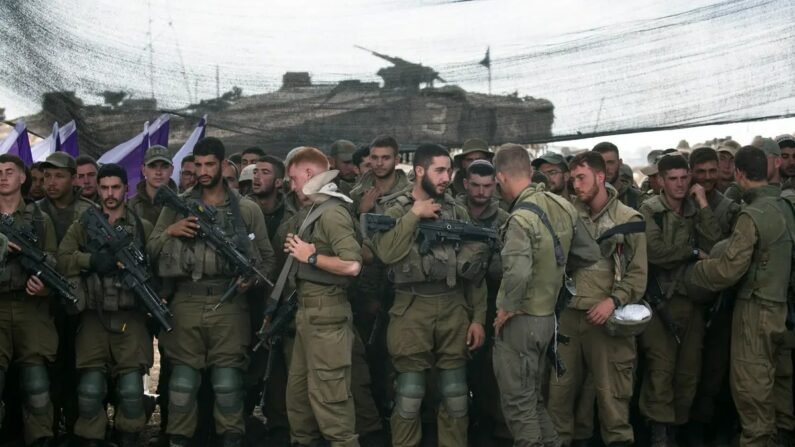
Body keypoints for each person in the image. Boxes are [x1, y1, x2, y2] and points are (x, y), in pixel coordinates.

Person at [147, 137, 275, 447]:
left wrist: (252, 281)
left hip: (229, 303)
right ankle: (178, 440)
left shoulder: (246, 208)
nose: (203, 171)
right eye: (198, 165)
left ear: (222, 166)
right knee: (182, 383)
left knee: (228, 383)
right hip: (186, 300)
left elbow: (268, 260)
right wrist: (170, 231)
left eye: (210, 165)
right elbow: (150, 249)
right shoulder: (176, 204)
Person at [370, 143, 487, 447]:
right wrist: (413, 216)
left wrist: (478, 319)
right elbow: (386, 253)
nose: (446, 176)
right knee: (408, 395)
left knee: (455, 395)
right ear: (419, 171)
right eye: (439, 170)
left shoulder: (456, 210)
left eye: (448, 170)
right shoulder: (395, 207)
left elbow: (474, 273)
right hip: (411, 309)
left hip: (453, 306)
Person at [685, 145, 795, 447]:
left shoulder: (752, 214)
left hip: (755, 312)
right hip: (782, 309)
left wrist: (696, 273)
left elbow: (728, 270)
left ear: (739, 174)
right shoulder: (787, 207)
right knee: (780, 383)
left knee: (751, 388)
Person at [547, 151, 647, 447]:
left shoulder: (629, 219)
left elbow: (638, 275)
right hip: (567, 319)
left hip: (606, 321)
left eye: (582, 178)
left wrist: (613, 301)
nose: (575, 185)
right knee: (558, 396)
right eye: (572, 178)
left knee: (612, 400)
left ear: (600, 177)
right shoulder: (566, 214)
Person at [264, 146, 363, 446]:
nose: (291, 186)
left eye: (293, 179)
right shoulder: (312, 212)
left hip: (327, 321)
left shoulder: (332, 212)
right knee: (299, 407)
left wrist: (311, 257)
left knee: (332, 408)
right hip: (307, 318)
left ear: (308, 174)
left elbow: (353, 264)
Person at [57, 164, 154, 447]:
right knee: (89, 389)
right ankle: (92, 438)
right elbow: (61, 259)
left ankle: (128, 434)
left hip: (130, 317)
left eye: (115, 187)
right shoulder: (83, 225)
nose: (109, 194)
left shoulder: (141, 227)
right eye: (104, 188)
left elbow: (155, 271)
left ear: (126, 188)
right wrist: (90, 261)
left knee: (132, 389)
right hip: (92, 317)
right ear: (97, 189)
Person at [637, 154, 722, 446]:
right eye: (672, 179)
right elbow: (656, 253)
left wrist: (702, 204)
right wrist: (693, 253)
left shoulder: (694, 206)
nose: (680, 185)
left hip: (692, 302)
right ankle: (660, 433)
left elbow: (716, 246)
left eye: (685, 178)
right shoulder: (650, 209)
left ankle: (679, 428)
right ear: (660, 180)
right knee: (661, 370)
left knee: (689, 372)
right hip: (660, 302)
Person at [0, 154, 59, 447]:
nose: (3, 177)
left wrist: (45, 287)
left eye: (10, 171)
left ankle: (41, 439)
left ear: (23, 178)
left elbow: (53, 262)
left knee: (36, 383)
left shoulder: (39, 218)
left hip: (31, 307)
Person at [455, 159, 510, 444]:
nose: (481, 192)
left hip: (490, 299)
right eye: (475, 185)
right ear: (466, 184)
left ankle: (490, 425)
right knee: (454, 368)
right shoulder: (453, 211)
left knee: (489, 370)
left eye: (487, 186)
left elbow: (509, 264)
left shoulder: (503, 218)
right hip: (454, 297)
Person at [350, 135, 410, 216]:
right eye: (374, 158)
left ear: (396, 160)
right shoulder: (356, 195)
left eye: (386, 158)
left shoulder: (411, 192)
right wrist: (362, 211)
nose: (379, 163)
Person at [128, 145, 176, 225]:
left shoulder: (183, 202)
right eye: (152, 166)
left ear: (171, 170)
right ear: (143, 170)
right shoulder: (131, 206)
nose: (158, 172)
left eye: (164, 167)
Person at [592, 142, 641, 209]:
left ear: (620, 163)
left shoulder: (638, 199)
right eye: (600, 163)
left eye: (610, 163)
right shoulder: (587, 200)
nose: (606, 168)